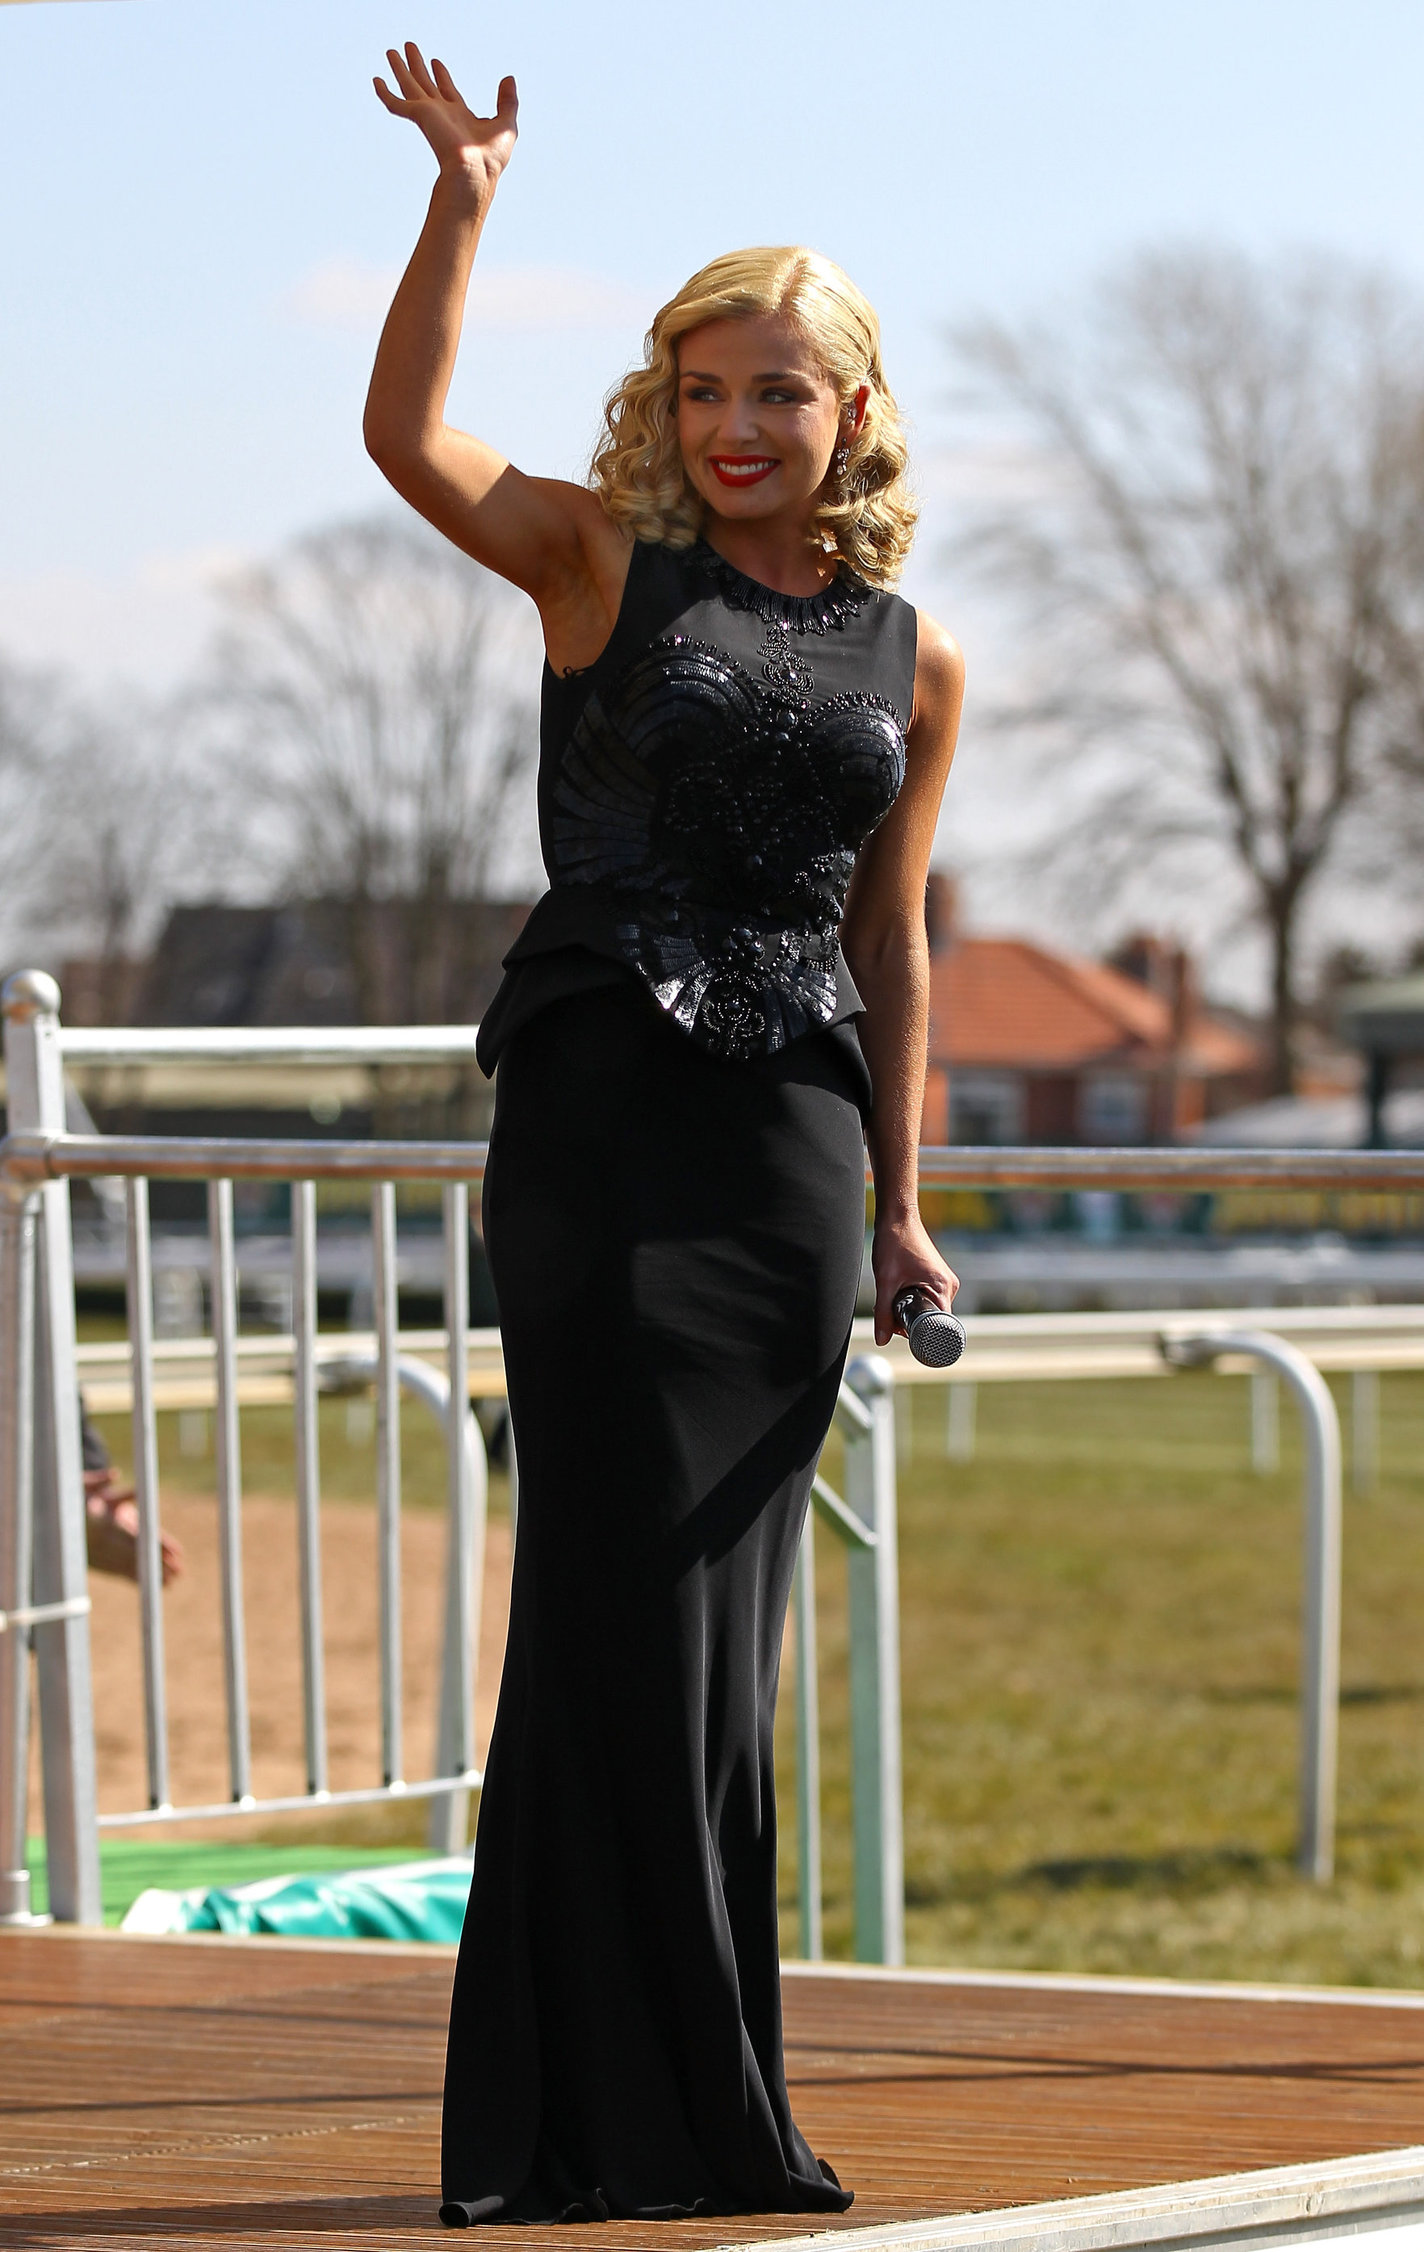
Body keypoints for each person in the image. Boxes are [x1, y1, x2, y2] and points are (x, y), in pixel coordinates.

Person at [365, 44, 964, 2228]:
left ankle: (699, 2106)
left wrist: (901, 1201)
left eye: (780, 392)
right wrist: (462, 211)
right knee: (611, 1592)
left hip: (795, 1158)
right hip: (606, 1119)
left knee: (723, 1627)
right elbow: (406, 441)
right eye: (706, 386)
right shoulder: (598, 570)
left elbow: (892, 947)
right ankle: (562, 2114)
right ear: (667, 404)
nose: (738, 424)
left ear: (853, 415)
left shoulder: (919, 656)